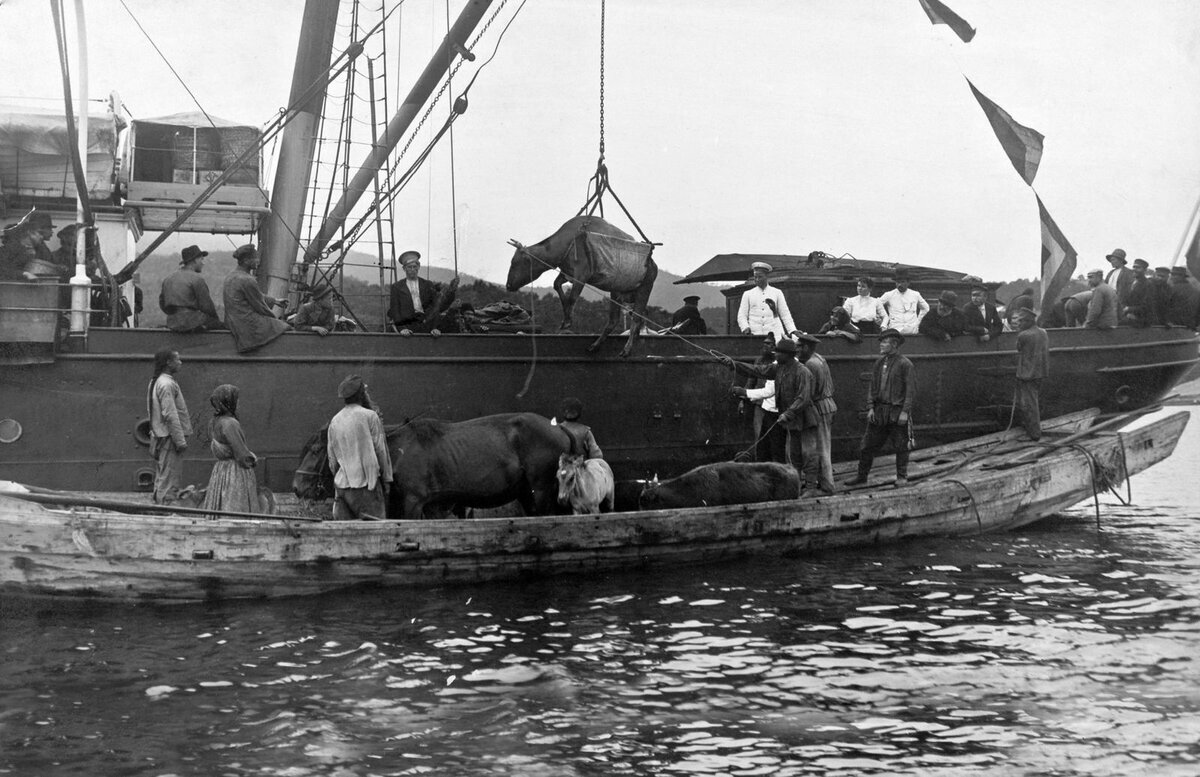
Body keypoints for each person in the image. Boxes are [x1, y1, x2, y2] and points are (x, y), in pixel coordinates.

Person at [723, 337, 817, 493]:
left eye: (778, 353)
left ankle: (812, 487)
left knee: (808, 453)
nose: (775, 356)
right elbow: (757, 370)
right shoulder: (779, 368)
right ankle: (796, 486)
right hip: (792, 418)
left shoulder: (802, 372)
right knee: (794, 455)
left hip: (805, 418)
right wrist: (734, 364)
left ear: (788, 354)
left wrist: (788, 413)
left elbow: (804, 397)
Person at [844, 328, 915, 488]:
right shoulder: (879, 363)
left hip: (896, 412)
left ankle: (902, 477)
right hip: (879, 411)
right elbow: (872, 387)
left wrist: (904, 412)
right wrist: (870, 408)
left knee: (901, 445)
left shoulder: (905, 364)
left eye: (884, 342)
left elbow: (910, 391)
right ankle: (862, 477)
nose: (881, 345)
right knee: (867, 445)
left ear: (894, 344)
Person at [326, 375, 393, 521]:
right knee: (375, 532)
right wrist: (387, 479)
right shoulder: (370, 416)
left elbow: (332, 461)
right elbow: (381, 450)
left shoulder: (335, 421)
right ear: (362, 395)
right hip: (367, 487)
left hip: (342, 489)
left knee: (346, 534)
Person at [200, 384, 267, 514]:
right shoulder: (230, 423)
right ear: (228, 401)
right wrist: (251, 460)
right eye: (236, 399)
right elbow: (241, 454)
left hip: (220, 471)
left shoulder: (213, 422)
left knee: (221, 505)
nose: (238, 402)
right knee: (235, 507)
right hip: (234, 472)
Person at [729, 334, 786, 464]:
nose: (765, 346)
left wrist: (744, 392)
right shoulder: (759, 361)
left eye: (769, 344)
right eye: (764, 343)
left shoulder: (778, 365)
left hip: (775, 408)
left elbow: (769, 391)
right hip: (761, 405)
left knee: (776, 442)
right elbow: (751, 378)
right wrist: (743, 399)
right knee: (760, 438)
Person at [222, 244, 290, 352]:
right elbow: (260, 306)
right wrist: (275, 320)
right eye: (255, 258)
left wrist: (275, 301)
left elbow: (255, 295)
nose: (258, 261)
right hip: (245, 322)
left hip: (231, 320)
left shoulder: (231, 276)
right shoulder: (248, 280)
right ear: (246, 261)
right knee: (283, 327)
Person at [147, 348, 192, 504]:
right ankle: (165, 510)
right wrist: (180, 441)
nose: (180, 362)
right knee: (170, 480)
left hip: (160, 436)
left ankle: (158, 507)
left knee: (162, 477)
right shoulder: (166, 384)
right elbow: (171, 415)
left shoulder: (157, 381)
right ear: (168, 362)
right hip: (169, 438)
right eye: (177, 359)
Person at [796, 332, 837, 495]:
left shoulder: (811, 364)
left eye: (799, 346)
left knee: (819, 448)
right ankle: (823, 483)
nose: (797, 349)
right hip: (826, 405)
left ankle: (827, 486)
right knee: (822, 446)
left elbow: (809, 393)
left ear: (806, 347)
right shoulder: (818, 358)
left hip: (819, 408)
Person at [160, 245, 224, 332]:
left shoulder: (168, 279)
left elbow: (163, 304)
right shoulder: (197, 279)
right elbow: (207, 307)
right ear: (195, 260)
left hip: (173, 323)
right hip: (193, 321)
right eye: (201, 259)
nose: (203, 263)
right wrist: (216, 321)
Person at [736, 261, 799, 343]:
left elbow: (785, 314)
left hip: (775, 336)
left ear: (766, 276)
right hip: (755, 336)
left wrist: (792, 330)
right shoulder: (747, 294)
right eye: (755, 277)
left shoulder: (777, 293)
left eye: (760, 277)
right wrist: (745, 328)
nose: (757, 279)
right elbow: (741, 316)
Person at [388, 250, 446, 334]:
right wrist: (402, 329)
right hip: (407, 327)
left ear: (418, 267)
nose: (412, 269)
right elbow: (395, 311)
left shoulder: (428, 284)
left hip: (427, 326)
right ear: (404, 268)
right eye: (409, 267)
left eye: (415, 267)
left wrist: (435, 328)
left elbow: (435, 308)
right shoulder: (397, 287)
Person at [1012, 307, 1049, 441]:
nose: (1019, 324)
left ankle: (1034, 434)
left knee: (1029, 405)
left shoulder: (1024, 335)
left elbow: (1018, 349)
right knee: (1033, 402)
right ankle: (1031, 428)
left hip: (1028, 374)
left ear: (1028, 321)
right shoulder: (1043, 332)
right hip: (1040, 373)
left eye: (1021, 322)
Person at [1121, 258, 1159, 326]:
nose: (1134, 269)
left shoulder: (1148, 284)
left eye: (1138, 267)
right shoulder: (1130, 283)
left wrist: (1129, 309)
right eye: (1134, 267)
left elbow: (1147, 306)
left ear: (1145, 270)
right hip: (1128, 317)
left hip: (1141, 321)